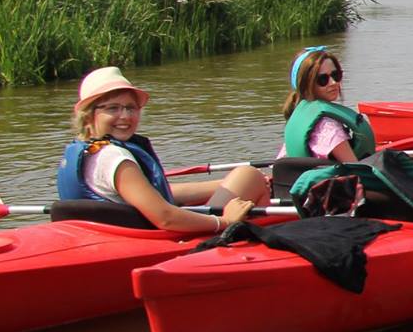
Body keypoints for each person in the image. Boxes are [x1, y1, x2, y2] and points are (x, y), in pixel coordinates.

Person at [56, 66, 269, 235]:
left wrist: (219, 185)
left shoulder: (87, 152)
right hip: (168, 239)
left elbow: (143, 194)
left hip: (114, 236)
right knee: (250, 176)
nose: (125, 116)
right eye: (113, 108)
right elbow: (166, 217)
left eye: (131, 108)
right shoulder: (115, 157)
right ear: (88, 114)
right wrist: (225, 221)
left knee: (244, 175)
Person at [278, 47, 374, 162]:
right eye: (323, 79)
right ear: (306, 84)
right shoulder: (329, 127)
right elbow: (355, 169)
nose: (333, 83)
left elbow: (281, 161)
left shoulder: (297, 117)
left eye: (336, 75)